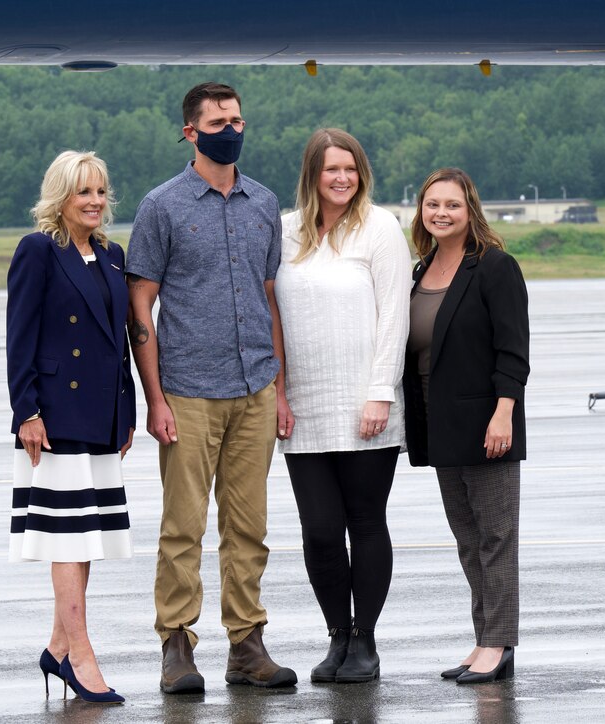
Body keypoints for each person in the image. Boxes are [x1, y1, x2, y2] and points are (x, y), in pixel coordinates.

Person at [126, 82, 297, 691]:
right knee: (183, 528)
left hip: (254, 388)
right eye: (219, 120)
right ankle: (176, 644)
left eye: (239, 119)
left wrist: (278, 387)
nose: (233, 128)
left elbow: (270, 298)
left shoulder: (263, 203)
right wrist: (155, 397)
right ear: (191, 132)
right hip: (189, 392)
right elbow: (140, 304)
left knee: (248, 526)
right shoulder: (162, 206)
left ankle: (247, 644)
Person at [275, 128, 411, 683]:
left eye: (350, 168)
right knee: (321, 532)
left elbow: (394, 315)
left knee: (365, 523)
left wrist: (381, 390)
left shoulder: (379, 227)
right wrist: (279, 392)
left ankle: (365, 641)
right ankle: (337, 634)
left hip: (366, 405)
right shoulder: (284, 230)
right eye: (331, 168)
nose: (341, 178)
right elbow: (274, 320)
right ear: (312, 173)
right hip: (304, 407)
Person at [6, 150, 135, 705]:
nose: (95, 202)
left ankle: (58, 648)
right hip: (55, 418)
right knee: (67, 539)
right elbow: (20, 336)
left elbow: (119, 340)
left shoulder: (111, 255)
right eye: (84, 192)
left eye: (101, 192)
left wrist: (125, 411)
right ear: (60, 196)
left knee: (88, 539)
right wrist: (27, 411)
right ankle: (82, 657)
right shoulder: (38, 250)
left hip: (102, 416)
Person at [403, 168, 530, 684]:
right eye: (433, 204)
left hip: (486, 421)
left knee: (496, 537)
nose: (441, 213)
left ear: (469, 209)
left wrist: (504, 412)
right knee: (467, 538)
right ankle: (484, 639)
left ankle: (498, 643)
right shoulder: (421, 270)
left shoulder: (495, 267)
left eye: (452, 205)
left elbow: (514, 350)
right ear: (422, 211)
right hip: (439, 421)